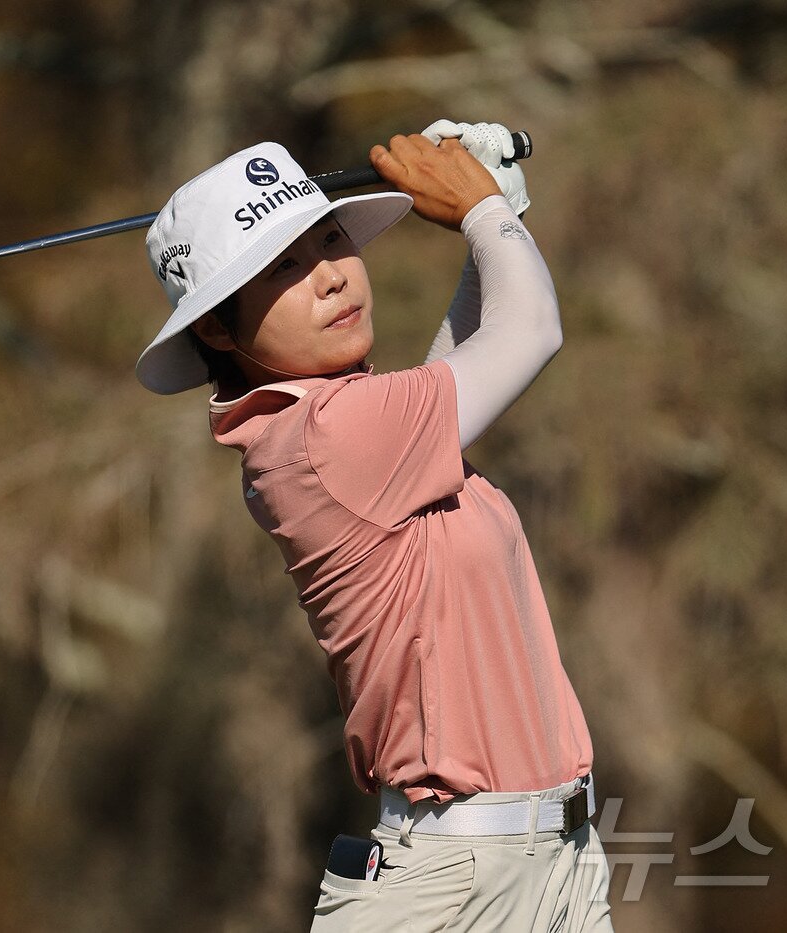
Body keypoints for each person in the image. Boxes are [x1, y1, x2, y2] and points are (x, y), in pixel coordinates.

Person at [136, 121, 614, 932]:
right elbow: (531, 330)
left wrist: (498, 224)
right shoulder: (319, 439)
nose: (330, 276)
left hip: (557, 868)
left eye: (329, 239)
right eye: (282, 267)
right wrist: (484, 212)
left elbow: (462, 370)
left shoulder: (354, 427)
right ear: (217, 328)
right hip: (451, 889)